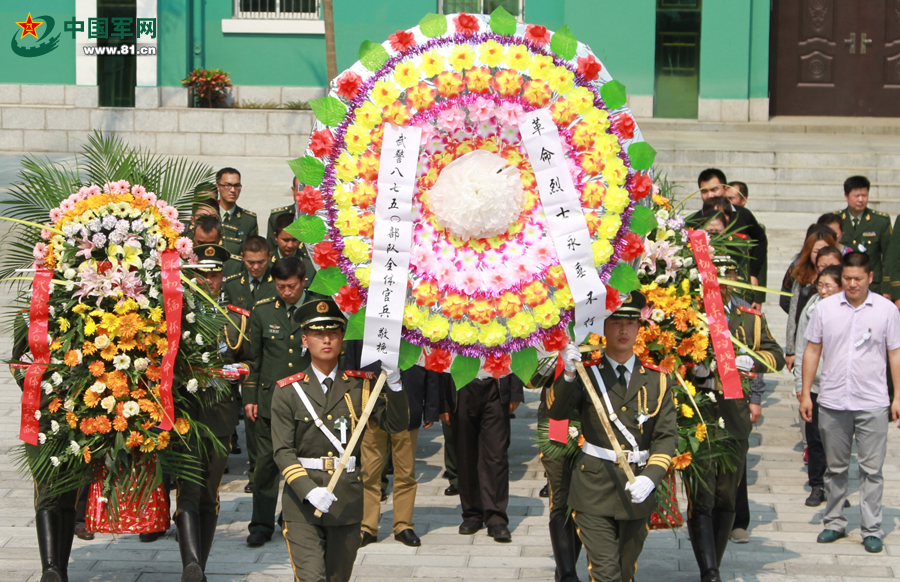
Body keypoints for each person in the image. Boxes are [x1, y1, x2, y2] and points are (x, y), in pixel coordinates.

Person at [270, 299, 409, 582]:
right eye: (319, 334)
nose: (327, 340)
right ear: (305, 340)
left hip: (346, 500)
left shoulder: (361, 384)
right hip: (302, 502)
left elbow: (395, 424)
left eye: (333, 333)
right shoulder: (288, 390)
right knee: (311, 578)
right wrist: (308, 490)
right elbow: (283, 451)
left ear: (342, 338)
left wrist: (394, 385)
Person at [549, 291, 676, 582]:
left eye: (630, 323)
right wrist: (568, 374)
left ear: (638, 329)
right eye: (615, 321)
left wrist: (651, 476)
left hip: (637, 486)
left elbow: (667, 436)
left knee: (625, 571)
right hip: (594, 485)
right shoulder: (586, 373)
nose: (623, 330)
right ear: (603, 327)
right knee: (606, 574)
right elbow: (557, 413)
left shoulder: (657, 379)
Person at [689, 260, 785, 582]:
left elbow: (776, 355)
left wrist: (753, 360)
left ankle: (714, 559)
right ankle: (710, 571)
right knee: (701, 495)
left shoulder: (749, 318)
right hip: (698, 413)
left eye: (729, 274)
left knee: (726, 494)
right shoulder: (690, 313)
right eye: (715, 273)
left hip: (734, 417)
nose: (722, 280)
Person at [800, 251, 900, 554]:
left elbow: (895, 352)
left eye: (858, 279)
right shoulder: (825, 308)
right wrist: (806, 392)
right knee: (836, 467)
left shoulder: (886, 310)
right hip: (832, 399)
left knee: (872, 469)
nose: (852, 284)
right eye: (847, 279)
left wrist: (898, 396)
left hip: (873, 401)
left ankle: (872, 528)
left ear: (870, 277)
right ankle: (834, 522)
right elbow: (812, 350)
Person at [242, 256, 320, 547]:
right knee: (264, 466)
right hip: (269, 400)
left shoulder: (317, 308)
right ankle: (260, 524)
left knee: (303, 464)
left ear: (303, 281)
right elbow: (254, 358)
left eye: (291, 286)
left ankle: (292, 517)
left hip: (306, 400)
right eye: (280, 286)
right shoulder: (263, 311)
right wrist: (250, 396)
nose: (286, 292)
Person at [175, 244, 239, 582]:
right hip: (187, 415)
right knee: (187, 489)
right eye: (203, 274)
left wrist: (240, 370)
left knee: (209, 493)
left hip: (220, 415)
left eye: (214, 274)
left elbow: (252, 359)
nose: (209, 280)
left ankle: (202, 561)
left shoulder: (235, 315)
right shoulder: (178, 311)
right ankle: (191, 564)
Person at [342, 340, 442, 548]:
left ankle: (403, 525)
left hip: (407, 402)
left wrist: (431, 408)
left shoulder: (418, 325)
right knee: (370, 470)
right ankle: (367, 526)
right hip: (371, 405)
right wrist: (351, 406)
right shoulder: (363, 322)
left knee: (405, 471)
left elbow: (431, 366)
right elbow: (350, 367)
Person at [11, 319, 77, 582]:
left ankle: (62, 568)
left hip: (79, 413)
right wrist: (40, 387)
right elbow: (17, 362)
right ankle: (49, 569)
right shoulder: (30, 310)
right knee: (47, 492)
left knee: (69, 495)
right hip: (41, 413)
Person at [440, 370, 524, 542]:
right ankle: (472, 514)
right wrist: (442, 402)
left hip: (496, 385)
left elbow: (517, 347)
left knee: (496, 455)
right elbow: (439, 354)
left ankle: (496, 518)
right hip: (461, 386)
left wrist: (515, 391)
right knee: (465, 454)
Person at [223, 235, 278, 494]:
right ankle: (255, 472)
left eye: (261, 262)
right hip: (241, 356)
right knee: (250, 417)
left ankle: (274, 469)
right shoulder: (234, 284)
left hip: (269, 355)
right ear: (242, 258)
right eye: (251, 262)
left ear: (269, 258)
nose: (256, 267)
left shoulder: (276, 282)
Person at [793, 265, 843, 507]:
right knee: (814, 439)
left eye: (828, 287)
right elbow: (803, 347)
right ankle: (817, 485)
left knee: (838, 441)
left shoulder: (849, 312)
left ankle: (836, 489)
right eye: (820, 286)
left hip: (841, 387)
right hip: (815, 385)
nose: (822, 291)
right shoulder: (812, 308)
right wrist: (801, 385)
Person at [692, 169, 768, 310]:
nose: (710, 195)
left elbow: (760, 243)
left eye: (714, 189)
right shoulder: (693, 222)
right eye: (704, 191)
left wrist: (755, 279)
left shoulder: (743, 216)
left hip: (740, 290)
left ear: (726, 189)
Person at [784, 230, 837, 371]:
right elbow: (793, 312)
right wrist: (790, 350)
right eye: (817, 251)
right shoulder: (801, 275)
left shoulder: (844, 283)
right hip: (806, 339)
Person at [836, 175, 892, 296]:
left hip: (873, 286)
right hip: (843, 285)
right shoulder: (836, 220)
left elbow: (889, 257)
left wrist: (886, 289)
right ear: (846, 196)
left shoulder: (880, 221)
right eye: (856, 196)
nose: (861, 200)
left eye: (864, 195)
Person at [216, 167, 259, 256]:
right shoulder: (208, 214)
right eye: (227, 185)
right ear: (218, 187)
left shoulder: (248, 220)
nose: (232, 190)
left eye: (236, 186)